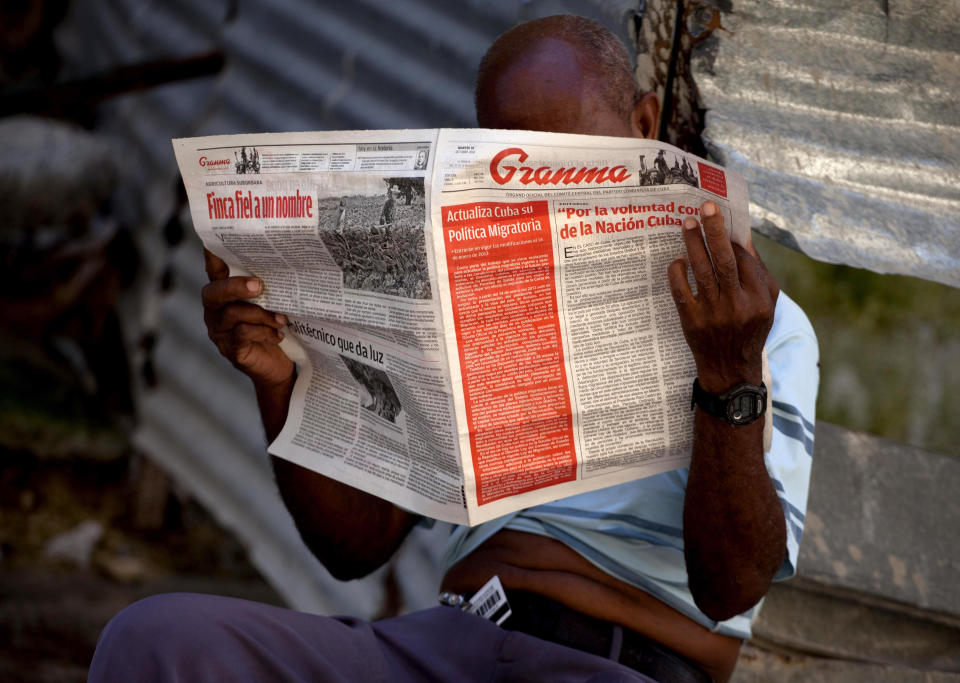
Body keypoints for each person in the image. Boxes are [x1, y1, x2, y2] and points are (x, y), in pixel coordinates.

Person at [89, 15, 817, 683]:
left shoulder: (756, 323)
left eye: (573, 158)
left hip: (618, 664)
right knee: (156, 639)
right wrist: (280, 380)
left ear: (644, 122)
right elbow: (354, 546)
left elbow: (731, 586)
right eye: (518, 164)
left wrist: (727, 377)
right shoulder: (465, 297)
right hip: (443, 646)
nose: (548, 190)